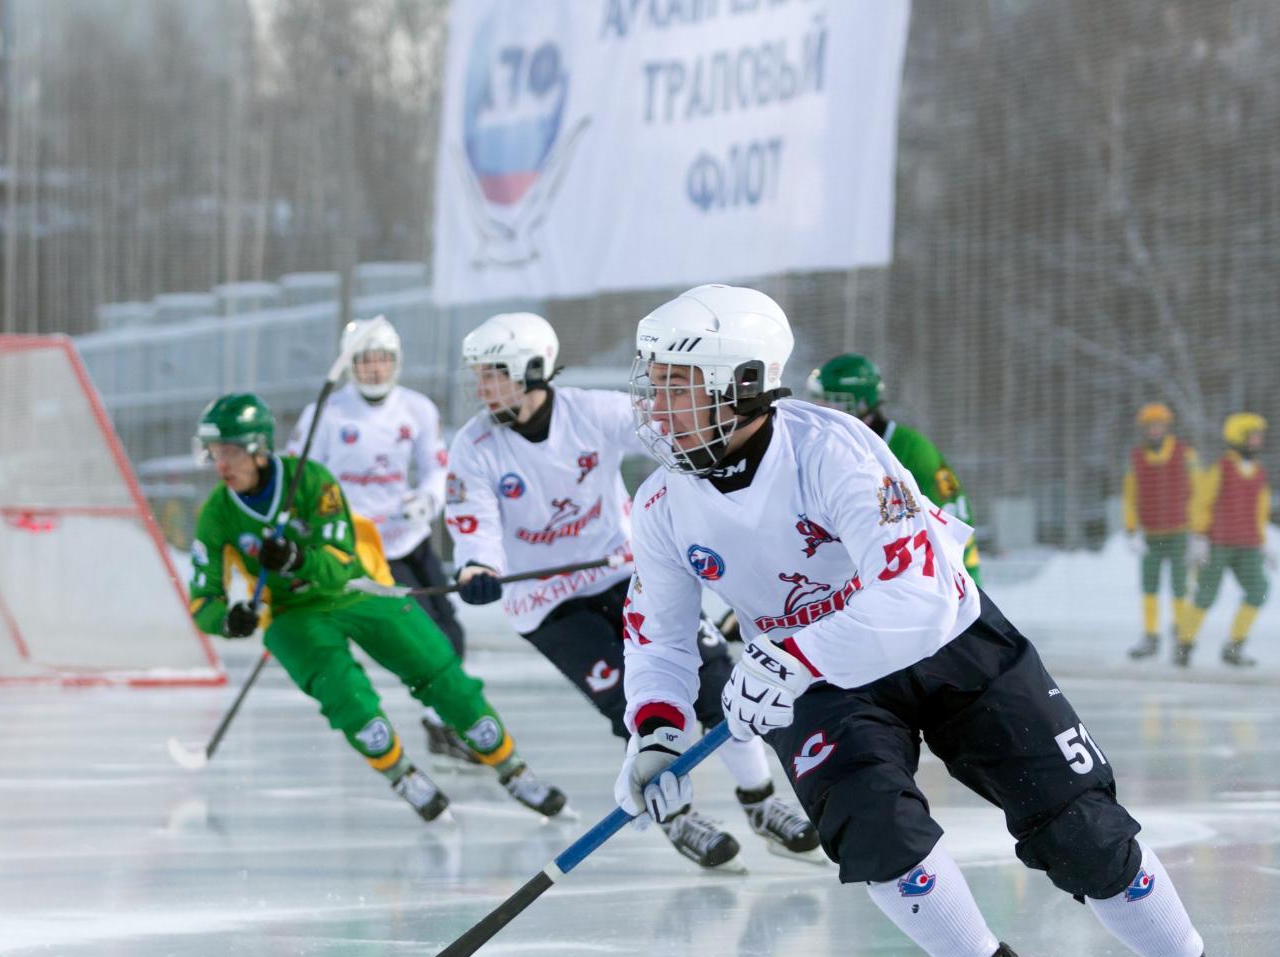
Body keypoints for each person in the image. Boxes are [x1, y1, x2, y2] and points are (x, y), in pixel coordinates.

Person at [614, 283, 1280, 957]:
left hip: (948, 643)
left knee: (1078, 823)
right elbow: (656, 634)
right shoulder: (664, 502)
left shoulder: (833, 451)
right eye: (654, 385)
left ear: (741, 386)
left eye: (676, 386)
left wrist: (790, 652)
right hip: (823, 683)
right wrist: (657, 733)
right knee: (872, 830)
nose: (656, 408)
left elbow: (917, 598)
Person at [447, 312, 818, 871]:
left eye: (492, 373)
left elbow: (673, 431)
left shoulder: (588, 412)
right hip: (548, 605)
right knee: (636, 704)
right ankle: (678, 814)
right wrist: (478, 565)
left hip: (626, 572)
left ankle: (760, 803)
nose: (482, 387)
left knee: (717, 682)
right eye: (478, 375)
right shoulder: (475, 445)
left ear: (530, 369)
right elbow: (472, 516)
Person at [187, 392, 565, 822]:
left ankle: (511, 767)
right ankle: (402, 774)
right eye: (215, 452)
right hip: (293, 613)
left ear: (258, 449)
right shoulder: (217, 513)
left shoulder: (310, 480)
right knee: (345, 695)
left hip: (357, 587)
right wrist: (230, 620)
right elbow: (203, 601)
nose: (221, 464)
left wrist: (297, 557)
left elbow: (341, 560)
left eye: (231, 451)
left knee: (438, 667)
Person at [285, 317, 473, 763]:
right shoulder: (326, 414)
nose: (375, 369)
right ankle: (363, 722)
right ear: (351, 366)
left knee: (446, 633)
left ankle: (443, 721)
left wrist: (427, 500)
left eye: (383, 360)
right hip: (350, 548)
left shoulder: (418, 409)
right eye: (366, 361)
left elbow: (436, 467)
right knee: (361, 635)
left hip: (406, 541)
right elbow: (298, 477)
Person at [805, 352, 980, 583]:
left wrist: (961, 583)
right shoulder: (825, 448)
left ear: (861, 403)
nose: (821, 408)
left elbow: (954, 515)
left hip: (923, 579)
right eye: (819, 400)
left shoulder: (911, 450)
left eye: (832, 400)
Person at [1174, 412, 1272, 669]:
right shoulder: (1222, 468)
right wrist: (1198, 535)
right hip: (1218, 544)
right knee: (1206, 595)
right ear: (1239, 438)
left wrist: (1263, 542)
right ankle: (1183, 644)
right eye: (1253, 435)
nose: (1259, 440)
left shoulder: (1259, 473)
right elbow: (1201, 502)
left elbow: (1260, 510)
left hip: (1248, 544)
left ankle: (1234, 646)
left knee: (1258, 589)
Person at [1121, 401, 1201, 661]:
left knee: (1180, 586)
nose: (1155, 431)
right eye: (1150, 427)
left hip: (1179, 532)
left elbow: (1198, 492)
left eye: (1159, 426)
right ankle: (1151, 636)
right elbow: (1130, 496)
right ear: (1144, 430)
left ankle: (1181, 636)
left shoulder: (1185, 454)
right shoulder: (1136, 459)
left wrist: (1198, 530)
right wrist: (1132, 530)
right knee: (1149, 586)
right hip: (1151, 535)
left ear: (1167, 427)